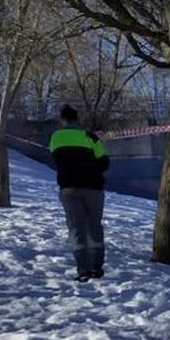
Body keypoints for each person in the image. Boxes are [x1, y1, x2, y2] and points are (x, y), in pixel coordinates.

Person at [48, 105, 109, 281]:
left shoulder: (55, 137)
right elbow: (104, 162)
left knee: (76, 228)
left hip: (68, 188)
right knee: (94, 225)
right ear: (77, 119)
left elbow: (55, 157)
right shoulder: (90, 136)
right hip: (93, 188)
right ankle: (97, 266)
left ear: (62, 120)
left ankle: (83, 270)